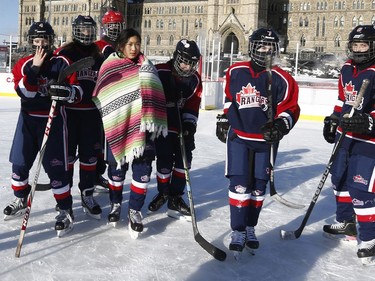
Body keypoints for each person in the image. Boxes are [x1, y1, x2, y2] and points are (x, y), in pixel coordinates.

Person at [218, 28, 300, 255]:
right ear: (252, 47)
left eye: (270, 47)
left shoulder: (283, 78)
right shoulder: (235, 71)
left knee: (258, 188)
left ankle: (250, 227)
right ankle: (238, 230)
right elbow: (229, 99)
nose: (265, 51)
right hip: (239, 139)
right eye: (261, 46)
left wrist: (282, 125)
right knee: (239, 186)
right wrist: (225, 118)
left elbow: (290, 108)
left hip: (265, 142)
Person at [3, 21, 82, 236]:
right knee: (19, 164)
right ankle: (21, 198)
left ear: (51, 40)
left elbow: (77, 90)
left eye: (44, 40)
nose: (40, 45)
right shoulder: (24, 64)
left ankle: (65, 210)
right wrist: (35, 69)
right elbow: (25, 93)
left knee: (57, 168)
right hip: (27, 122)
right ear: (30, 42)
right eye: (36, 41)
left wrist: (67, 93)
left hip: (53, 121)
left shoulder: (61, 62)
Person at [92, 28, 167, 238]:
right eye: (130, 44)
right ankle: (116, 205)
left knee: (142, 172)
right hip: (118, 125)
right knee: (117, 171)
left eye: (137, 44)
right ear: (121, 45)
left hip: (144, 129)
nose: (134, 48)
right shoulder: (110, 66)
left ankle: (135, 210)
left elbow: (156, 95)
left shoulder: (147, 66)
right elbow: (103, 93)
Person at [322, 25, 375, 265]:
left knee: (361, 189)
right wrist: (334, 119)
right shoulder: (346, 68)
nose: (358, 50)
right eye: (355, 45)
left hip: (368, 141)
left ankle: (369, 238)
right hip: (346, 136)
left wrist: (367, 120)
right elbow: (343, 100)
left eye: (363, 45)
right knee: (339, 178)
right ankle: (346, 222)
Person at [55, 15, 105, 220]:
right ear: (75, 30)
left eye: (89, 30)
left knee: (89, 157)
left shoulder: (98, 54)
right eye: (83, 29)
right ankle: (65, 202)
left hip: (91, 114)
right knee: (67, 159)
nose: (86, 33)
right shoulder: (65, 52)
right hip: (69, 114)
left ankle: (87, 194)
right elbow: (55, 77)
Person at [147, 39, 202, 220]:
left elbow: (193, 104)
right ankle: (163, 192)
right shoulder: (160, 71)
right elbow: (147, 96)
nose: (187, 66)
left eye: (192, 63)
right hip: (162, 124)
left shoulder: (194, 80)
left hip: (180, 126)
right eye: (185, 61)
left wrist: (189, 125)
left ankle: (175, 197)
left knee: (184, 160)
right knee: (164, 159)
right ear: (176, 57)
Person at [93, 9, 126, 192]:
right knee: (96, 140)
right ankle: (94, 175)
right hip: (99, 100)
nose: (114, 29)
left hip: (117, 101)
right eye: (110, 26)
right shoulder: (98, 45)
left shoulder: (125, 46)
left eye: (117, 26)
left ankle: (101, 173)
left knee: (110, 140)